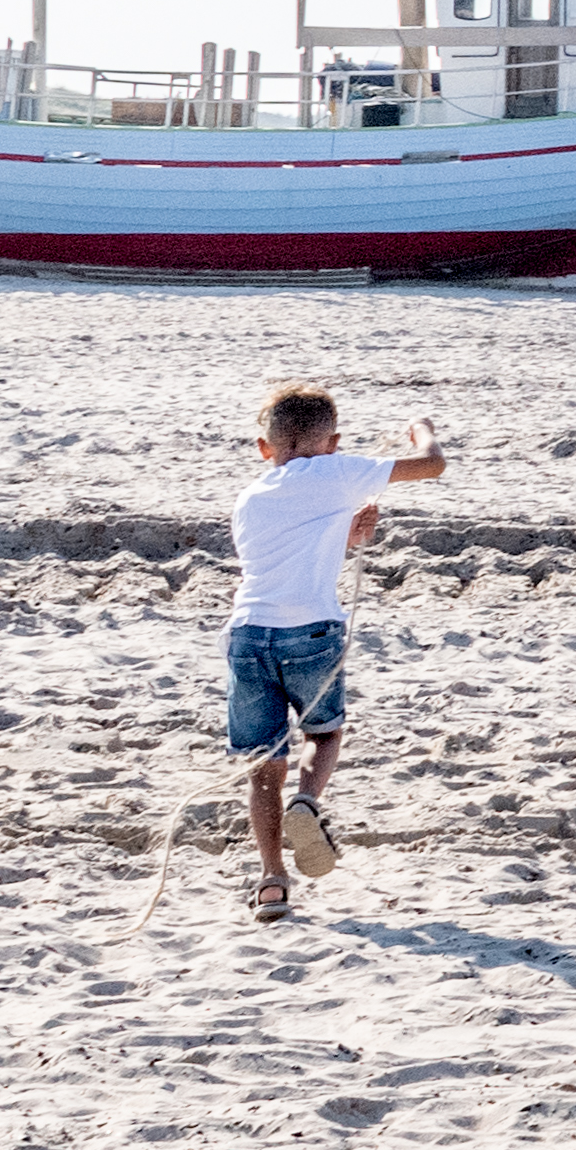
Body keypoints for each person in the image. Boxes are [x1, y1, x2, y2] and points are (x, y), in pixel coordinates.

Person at [224, 383, 446, 923]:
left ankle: (272, 882)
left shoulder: (251, 496)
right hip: (311, 630)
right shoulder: (336, 471)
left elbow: (289, 552)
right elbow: (431, 465)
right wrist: (421, 426)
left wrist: (347, 536)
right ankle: (307, 800)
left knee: (262, 766)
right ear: (333, 442)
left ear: (264, 448)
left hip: (249, 633)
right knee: (324, 734)